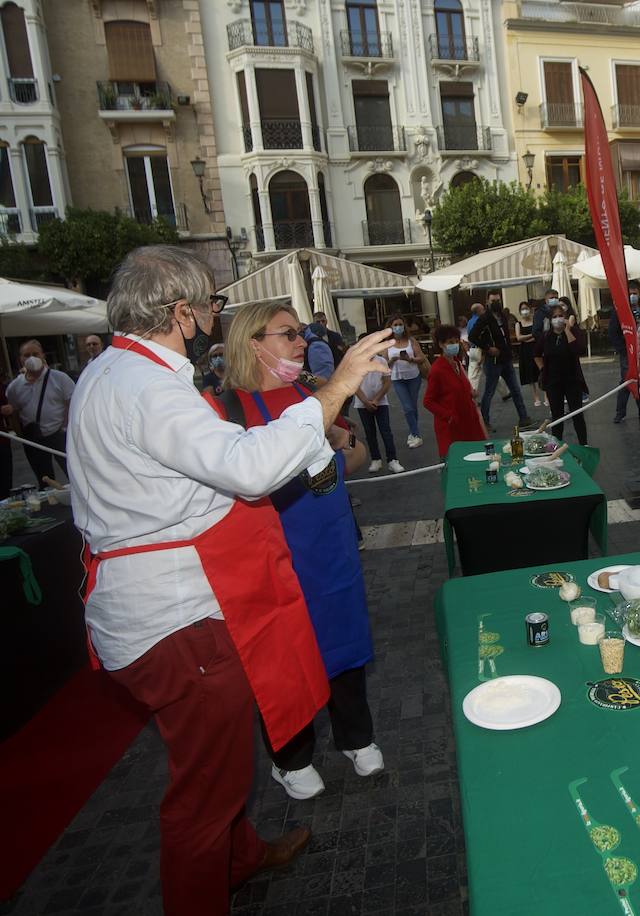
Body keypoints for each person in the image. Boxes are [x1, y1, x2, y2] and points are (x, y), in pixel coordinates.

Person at [66, 245, 395, 913]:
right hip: (176, 621)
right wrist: (336, 388)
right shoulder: (147, 387)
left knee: (218, 763)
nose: (213, 318)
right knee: (203, 795)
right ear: (182, 312)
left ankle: (240, 859)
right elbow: (247, 469)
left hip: (158, 610)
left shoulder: (110, 372)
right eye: (210, 305)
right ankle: (207, 883)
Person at [208, 302, 383, 801]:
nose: (302, 342)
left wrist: (340, 461)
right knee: (283, 654)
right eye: (288, 334)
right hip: (274, 556)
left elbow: (359, 454)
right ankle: (292, 757)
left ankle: (357, 737)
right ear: (253, 343)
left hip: (332, 547)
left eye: (301, 332)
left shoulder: (312, 392)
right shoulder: (227, 409)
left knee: (345, 643)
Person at [3, 339, 74, 482]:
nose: (31, 358)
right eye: (26, 355)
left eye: (35, 354)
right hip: (33, 438)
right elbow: (14, 412)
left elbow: (71, 404)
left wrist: (65, 427)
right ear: (20, 359)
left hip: (59, 434)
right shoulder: (15, 387)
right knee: (45, 479)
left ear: (43, 356)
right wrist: (21, 435)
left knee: (72, 473)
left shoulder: (60, 378)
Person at [424, 323, 489, 457]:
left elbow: (461, 387)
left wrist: (471, 392)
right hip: (451, 426)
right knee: (456, 461)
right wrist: (448, 416)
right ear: (441, 344)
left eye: (456, 341)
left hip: (467, 420)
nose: (454, 345)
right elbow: (428, 401)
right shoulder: (437, 370)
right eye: (450, 342)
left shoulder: (457, 363)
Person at [471, 291, 532, 430]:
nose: (496, 303)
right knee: (489, 392)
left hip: (506, 358)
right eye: (493, 301)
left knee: (515, 390)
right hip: (493, 362)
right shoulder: (484, 318)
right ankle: (484, 422)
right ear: (487, 301)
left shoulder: (502, 316)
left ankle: (524, 418)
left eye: (498, 300)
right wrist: (488, 348)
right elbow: (473, 336)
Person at [535, 302, 590, 445]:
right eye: (555, 316)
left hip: (572, 380)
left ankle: (583, 444)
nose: (558, 319)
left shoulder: (573, 332)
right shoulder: (546, 336)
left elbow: (578, 350)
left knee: (577, 413)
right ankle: (556, 445)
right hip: (553, 382)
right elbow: (536, 354)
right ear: (550, 319)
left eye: (561, 316)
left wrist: (567, 329)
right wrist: (542, 368)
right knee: (557, 416)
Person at [355, 348, 403, 474]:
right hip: (362, 404)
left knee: (386, 431)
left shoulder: (381, 361)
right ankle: (376, 459)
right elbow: (354, 384)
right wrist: (365, 401)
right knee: (369, 432)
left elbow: (387, 382)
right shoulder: (356, 362)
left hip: (380, 402)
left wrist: (376, 399)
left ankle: (392, 460)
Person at [386, 313, 429, 448]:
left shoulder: (411, 341)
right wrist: (391, 361)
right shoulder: (387, 344)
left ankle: (413, 432)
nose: (398, 327)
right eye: (395, 325)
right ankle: (416, 435)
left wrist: (410, 359)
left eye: (400, 324)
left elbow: (421, 358)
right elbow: (383, 364)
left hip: (413, 377)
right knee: (407, 407)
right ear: (390, 327)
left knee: (413, 406)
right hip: (397, 378)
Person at [610, 281, 640, 423]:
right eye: (630, 294)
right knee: (627, 380)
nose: (633, 296)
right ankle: (620, 412)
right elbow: (613, 332)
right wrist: (622, 349)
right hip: (628, 351)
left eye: (635, 294)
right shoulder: (620, 311)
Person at [514, 300, 543, 408]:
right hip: (525, 350)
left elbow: (539, 333)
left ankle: (546, 395)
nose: (525, 311)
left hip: (536, 347)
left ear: (530, 309)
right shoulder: (518, 324)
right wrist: (532, 335)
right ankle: (535, 396)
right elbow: (519, 337)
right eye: (522, 309)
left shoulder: (535, 321)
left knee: (541, 370)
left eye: (526, 308)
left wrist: (527, 337)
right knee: (530, 373)